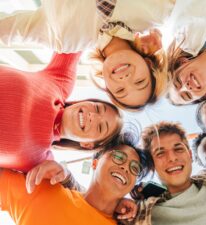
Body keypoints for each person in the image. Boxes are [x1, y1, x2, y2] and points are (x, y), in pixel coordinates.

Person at [0, 0, 170, 110]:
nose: (125, 78)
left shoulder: (64, 40)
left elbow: (9, 29)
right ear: (148, 64)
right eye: (140, 81)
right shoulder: (157, 12)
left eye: (120, 90)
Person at [0, 52, 122, 172]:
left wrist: (64, 175)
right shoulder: (60, 83)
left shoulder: (41, 163)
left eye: (100, 127)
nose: (93, 116)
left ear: (87, 144)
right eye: (97, 108)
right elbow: (76, 36)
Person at [0, 133, 149, 225]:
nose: (125, 167)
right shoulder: (41, 188)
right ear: (95, 163)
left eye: (134, 168)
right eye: (118, 157)